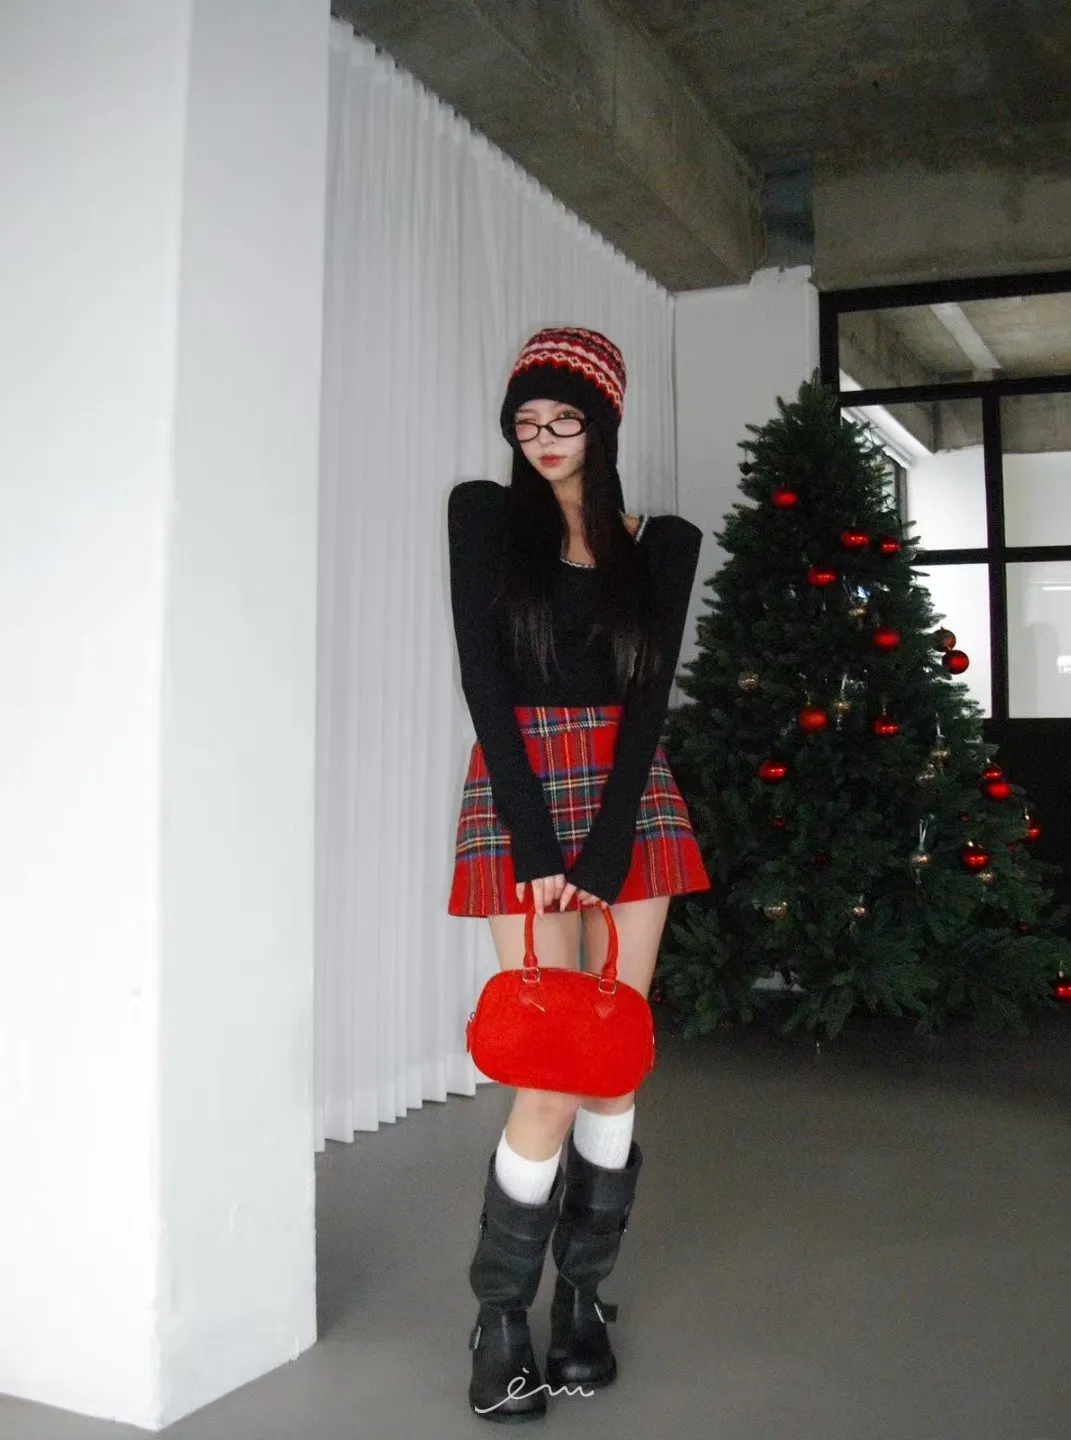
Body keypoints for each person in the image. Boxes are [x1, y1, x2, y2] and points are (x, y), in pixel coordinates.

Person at [447, 326, 711, 1422]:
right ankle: (500, 1314)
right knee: (549, 1068)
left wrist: (604, 848)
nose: (544, 439)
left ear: (602, 424)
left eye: (565, 420)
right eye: (526, 422)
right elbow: (482, 677)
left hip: (628, 800)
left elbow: (648, 702)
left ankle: (581, 1300)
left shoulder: (664, 544)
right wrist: (539, 843)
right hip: (521, 792)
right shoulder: (483, 517)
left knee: (612, 1063)